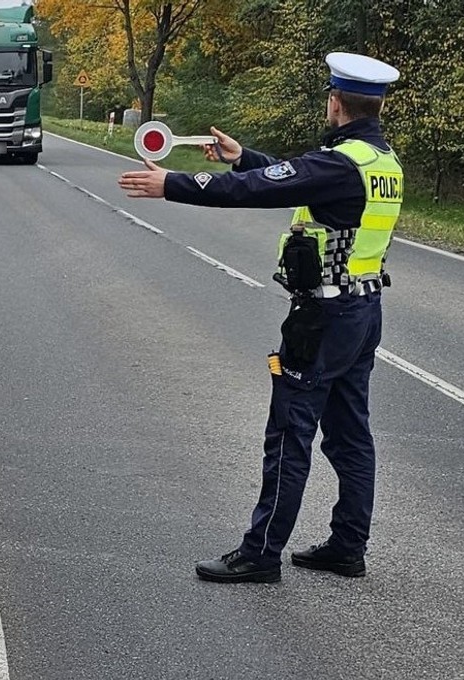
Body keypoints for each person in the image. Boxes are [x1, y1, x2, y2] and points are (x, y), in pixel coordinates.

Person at [117, 53, 403, 583]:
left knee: (290, 434)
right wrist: (244, 156)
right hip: (363, 311)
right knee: (350, 436)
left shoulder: (339, 164)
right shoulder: (379, 162)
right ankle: (347, 546)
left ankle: (260, 554)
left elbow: (259, 189)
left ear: (335, 102)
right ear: (376, 106)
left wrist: (173, 184)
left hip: (323, 318)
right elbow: (291, 179)